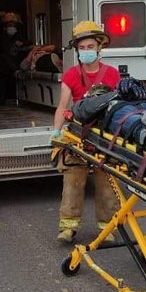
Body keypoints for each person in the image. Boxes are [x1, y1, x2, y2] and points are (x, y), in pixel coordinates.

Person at [51, 21, 122, 244]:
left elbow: (119, 106)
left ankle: (107, 228)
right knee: (73, 179)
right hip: (77, 134)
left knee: (107, 182)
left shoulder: (112, 74)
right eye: (82, 48)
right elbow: (63, 106)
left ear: (99, 48)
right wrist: (56, 132)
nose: (86, 51)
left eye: (90, 47)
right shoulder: (72, 75)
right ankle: (68, 227)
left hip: (104, 135)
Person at [0, 12, 33, 102]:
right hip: (2, 68)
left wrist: (23, 44)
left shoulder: (18, 35)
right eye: (10, 25)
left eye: (14, 25)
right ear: (4, 27)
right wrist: (15, 69)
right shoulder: (1, 38)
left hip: (13, 67)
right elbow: (4, 54)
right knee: (2, 93)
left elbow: (26, 43)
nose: (12, 27)